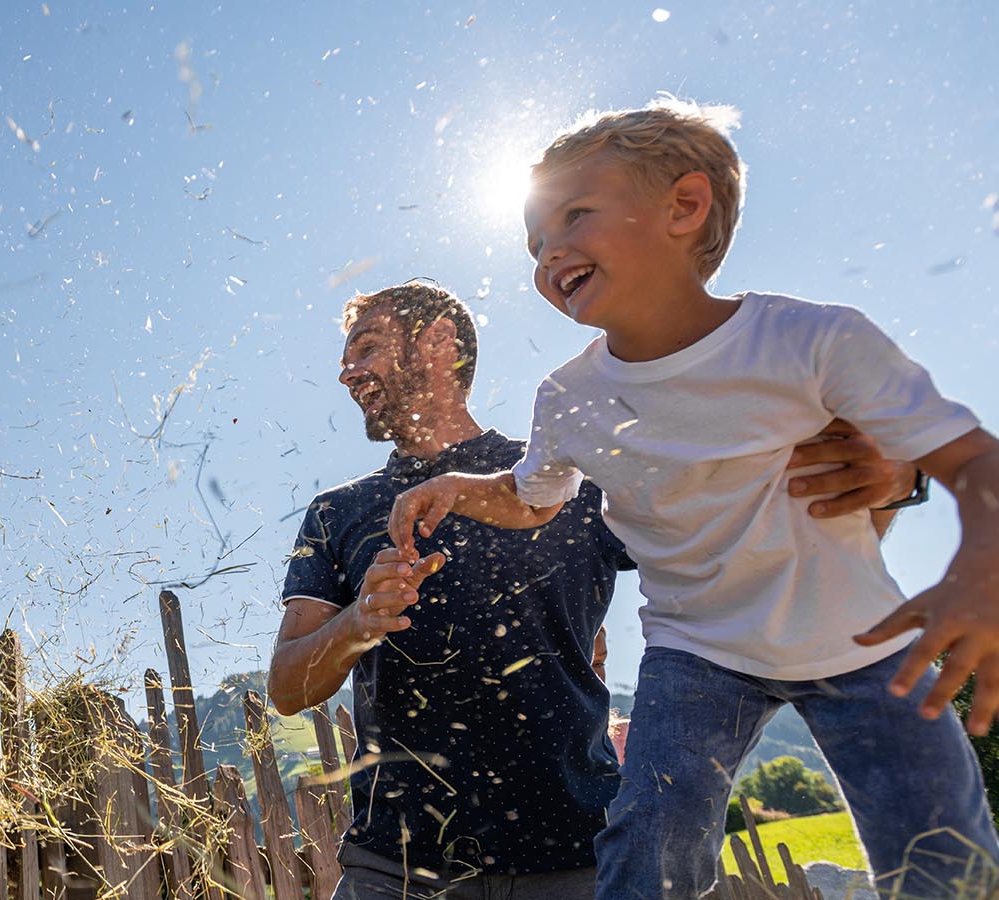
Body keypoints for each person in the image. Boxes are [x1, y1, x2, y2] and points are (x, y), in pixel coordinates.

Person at [387, 99, 999, 898]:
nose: (549, 255)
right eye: (536, 245)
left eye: (575, 217)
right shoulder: (570, 396)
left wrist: (981, 559)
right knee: (651, 835)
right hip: (697, 651)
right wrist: (461, 487)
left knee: (943, 853)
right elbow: (533, 499)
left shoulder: (813, 341)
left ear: (684, 206)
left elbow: (968, 457)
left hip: (864, 635)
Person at [266, 279, 913, 898]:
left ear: (439, 342)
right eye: (347, 356)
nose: (348, 372)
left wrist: (889, 479)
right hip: (397, 869)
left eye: (368, 345)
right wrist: (359, 621)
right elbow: (290, 687)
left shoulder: (567, 478)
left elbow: (746, 558)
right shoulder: (336, 513)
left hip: (577, 860)